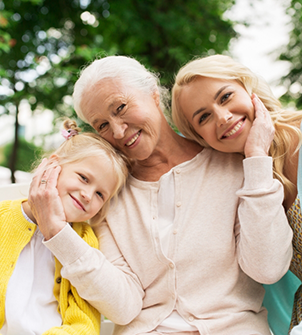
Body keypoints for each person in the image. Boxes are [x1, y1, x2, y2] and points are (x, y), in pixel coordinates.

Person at [28, 55, 292, 335]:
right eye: (102, 125)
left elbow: (268, 269)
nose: (118, 130)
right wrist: (58, 233)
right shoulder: (106, 196)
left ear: (154, 94)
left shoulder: (235, 167)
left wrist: (256, 161)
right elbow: (124, 307)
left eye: (120, 107)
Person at [171, 54, 302, 334]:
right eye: (204, 117)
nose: (223, 117)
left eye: (226, 96)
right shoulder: (239, 182)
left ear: (248, 88)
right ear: (199, 137)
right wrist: (256, 155)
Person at [0, 118, 128, 335]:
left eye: (100, 194)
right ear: (52, 166)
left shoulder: (83, 241)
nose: (88, 195)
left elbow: (84, 323)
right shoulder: (3, 216)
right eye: (84, 178)